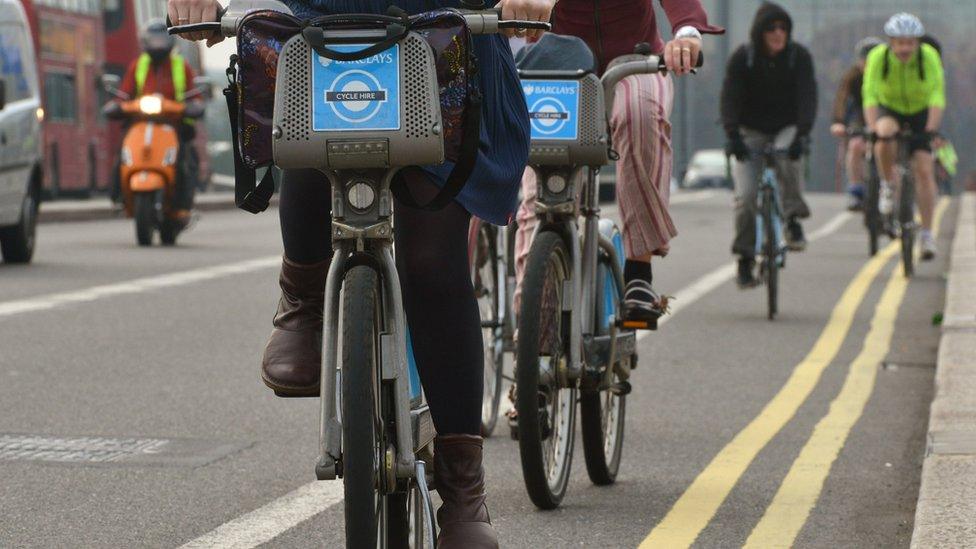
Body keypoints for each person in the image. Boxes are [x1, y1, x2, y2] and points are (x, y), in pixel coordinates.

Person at [169, 0, 552, 545]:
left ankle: (464, 491)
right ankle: (301, 302)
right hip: (323, 33)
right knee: (306, 138)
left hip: (444, 43)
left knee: (432, 260)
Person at [513, 0, 723, 325]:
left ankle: (639, 271)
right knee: (538, 196)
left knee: (639, 113)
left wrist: (687, 32)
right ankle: (535, 327)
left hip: (635, 60)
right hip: (559, 62)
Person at [721, 1, 817, 288]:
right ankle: (745, 258)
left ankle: (792, 220)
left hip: (787, 127)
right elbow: (729, 98)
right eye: (771, 28)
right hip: (750, 130)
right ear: (760, 32)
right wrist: (733, 137)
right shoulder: (743, 58)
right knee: (747, 197)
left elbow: (808, 98)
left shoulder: (798, 58)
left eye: (783, 29)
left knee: (787, 157)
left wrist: (801, 135)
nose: (778, 33)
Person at [863, 12, 945, 260]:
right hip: (892, 109)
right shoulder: (878, 57)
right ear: (891, 42)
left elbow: (937, 95)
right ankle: (888, 184)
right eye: (899, 42)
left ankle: (928, 234)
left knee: (924, 170)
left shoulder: (928, 57)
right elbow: (870, 94)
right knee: (884, 134)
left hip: (920, 112)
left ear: (917, 42)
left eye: (910, 42)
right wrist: (872, 126)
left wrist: (930, 129)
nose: (904, 48)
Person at [107, 20, 202, 224]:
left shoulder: (180, 66)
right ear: (145, 42)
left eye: (162, 40)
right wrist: (116, 106)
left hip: (174, 125)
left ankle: (183, 205)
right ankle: (118, 197)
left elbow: (194, 97)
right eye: (153, 40)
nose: (158, 45)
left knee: (186, 161)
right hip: (140, 122)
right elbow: (123, 95)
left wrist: (193, 107)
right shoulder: (138, 65)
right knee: (122, 155)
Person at [830, 37, 884, 211]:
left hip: (884, 116)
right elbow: (842, 99)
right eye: (864, 60)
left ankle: (894, 194)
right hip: (860, 118)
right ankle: (856, 189)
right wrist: (838, 122)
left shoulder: (889, 74)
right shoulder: (852, 76)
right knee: (855, 146)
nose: (868, 64)